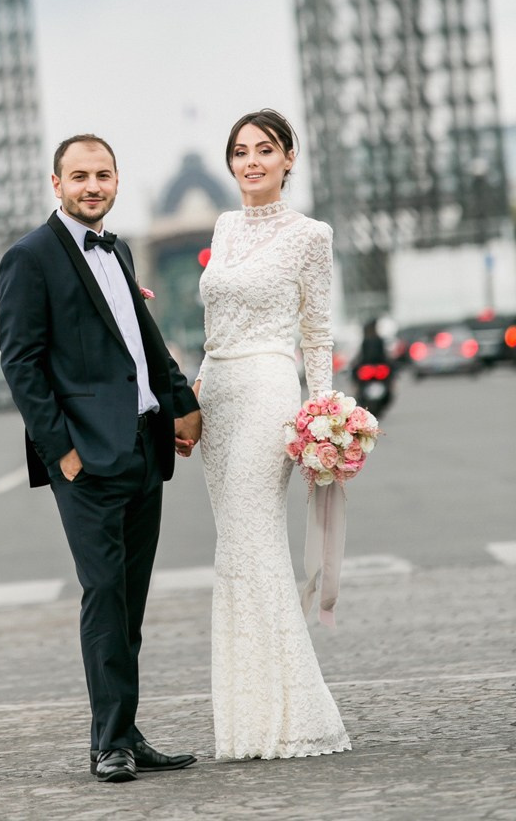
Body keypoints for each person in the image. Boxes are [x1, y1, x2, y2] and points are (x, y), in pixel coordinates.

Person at [0, 134, 202, 783]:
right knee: (103, 595)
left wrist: (179, 403)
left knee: (129, 604)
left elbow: (143, 340)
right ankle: (107, 743)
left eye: (104, 174)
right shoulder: (29, 259)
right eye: (79, 175)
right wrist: (61, 452)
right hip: (86, 459)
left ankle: (127, 732)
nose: (93, 185)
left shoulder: (115, 249)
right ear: (55, 183)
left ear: (116, 182)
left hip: (143, 448)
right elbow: (21, 363)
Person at [195, 108, 351, 761]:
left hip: (268, 390)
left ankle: (298, 713)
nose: (251, 161)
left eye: (265, 150)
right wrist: (195, 393)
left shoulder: (310, 235)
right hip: (219, 399)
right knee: (233, 551)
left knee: (254, 542)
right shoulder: (225, 226)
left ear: (289, 158)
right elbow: (215, 323)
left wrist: (323, 418)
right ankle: (249, 719)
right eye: (240, 151)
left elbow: (316, 332)